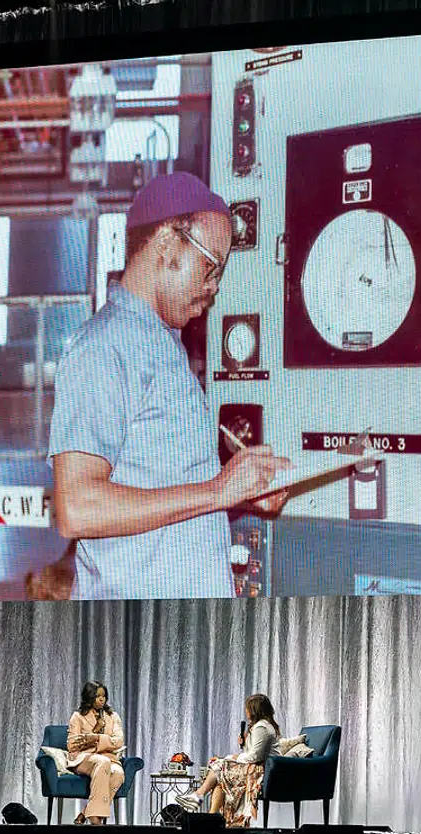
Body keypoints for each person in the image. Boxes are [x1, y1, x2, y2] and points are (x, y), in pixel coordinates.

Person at [48, 171, 292, 600]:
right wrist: (217, 491)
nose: (214, 286)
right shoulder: (104, 348)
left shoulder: (165, 347)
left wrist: (242, 495)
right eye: (210, 265)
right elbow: (78, 506)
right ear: (165, 243)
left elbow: (162, 487)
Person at [176, 693, 283, 827]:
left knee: (220, 764)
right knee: (220, 782)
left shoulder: (262, 727)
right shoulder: (260, 726)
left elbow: (255, 756)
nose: (246, 711)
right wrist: (244, 744)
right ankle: (211, 819)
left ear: (255, 710)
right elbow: (254, 752)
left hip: (260, 771)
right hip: (255, 766)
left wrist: (234, 757)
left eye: (248, 708)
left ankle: (198, 795)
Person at [66, 681, 126, 825]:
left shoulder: (112, 716)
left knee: (118, 773)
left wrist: (97, 738)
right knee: (102, 762)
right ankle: (95, 819)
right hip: (83, 758)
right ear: (89, 697)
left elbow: (118, 741)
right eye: (97, 696)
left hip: (108, 758)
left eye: (104, 696)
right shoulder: (78, 717)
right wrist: (94, 732)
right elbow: (72, 745)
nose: (101, 699)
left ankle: (86, 812)